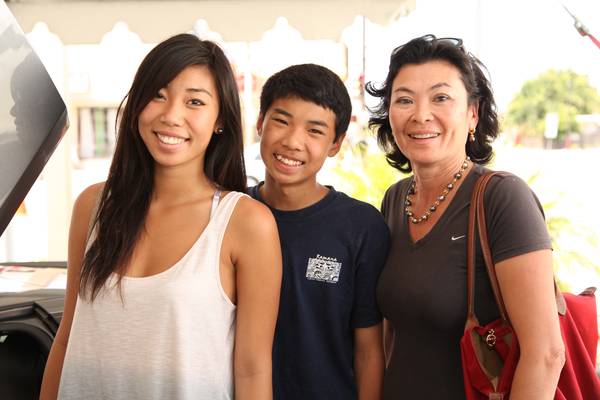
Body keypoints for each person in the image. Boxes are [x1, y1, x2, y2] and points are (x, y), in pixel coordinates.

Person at [40, 33, 282, 400]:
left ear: (220, 120)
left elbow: (252, 370)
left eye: (194, 101)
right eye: (157, 95)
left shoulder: (245, 223)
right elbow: (67, 336)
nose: (171, 116)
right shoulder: (93, 206)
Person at [368, 34, 565, 399]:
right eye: (404, 99)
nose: (420, 114)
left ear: (473, 113)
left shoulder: (502, 198)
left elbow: (546, 354)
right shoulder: (395, 200)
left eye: (441, 98)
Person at [249, 63, 390, 400]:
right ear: (260, 123)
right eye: (281, 121)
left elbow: (369, 350)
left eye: (314, 130)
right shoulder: (233, 213)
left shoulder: (360, 227)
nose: (293, 142)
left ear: (335, 143)